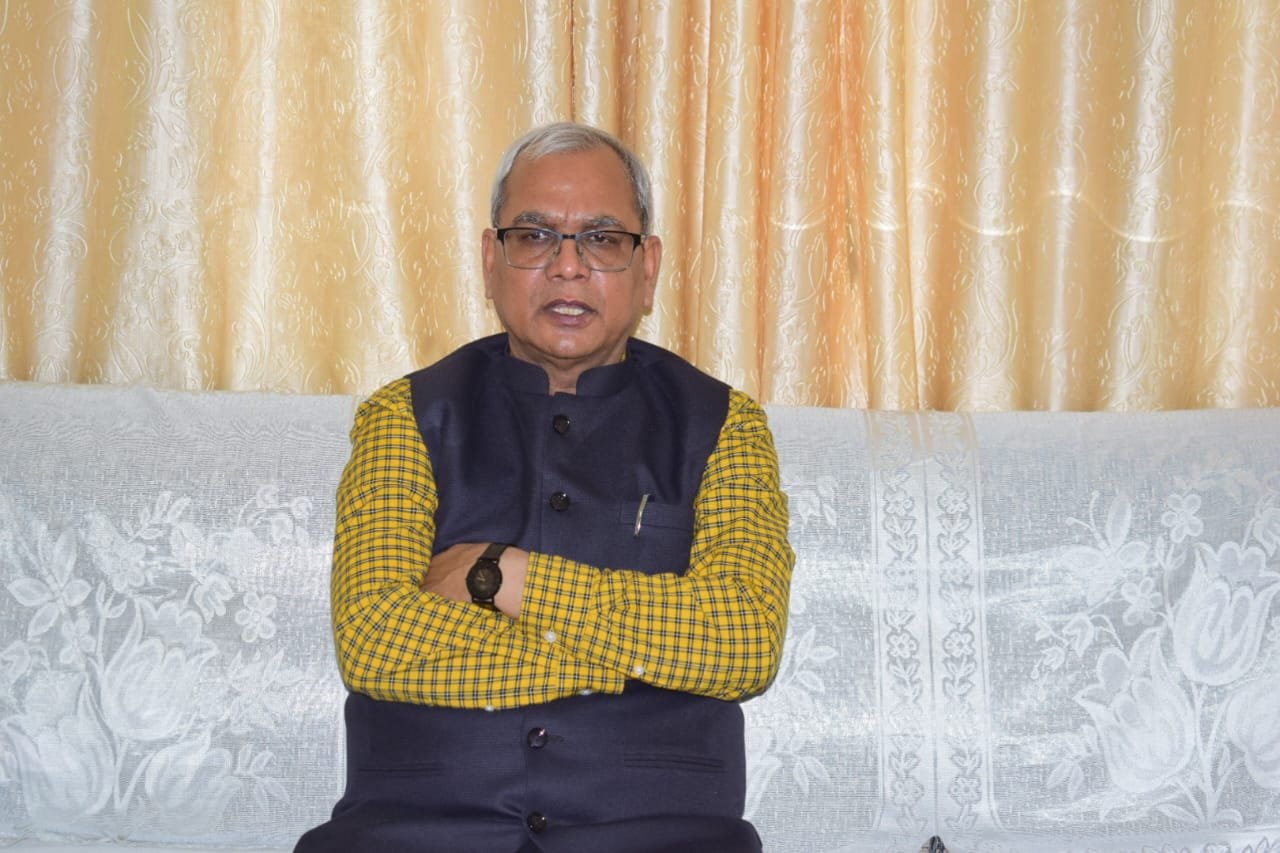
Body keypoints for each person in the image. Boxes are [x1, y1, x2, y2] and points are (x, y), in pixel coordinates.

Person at [295, 121, 794, 853]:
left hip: (659, 837)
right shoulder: (405, 416)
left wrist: (502, 575)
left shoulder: (725, 426)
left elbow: (743, 641)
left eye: (602, 239)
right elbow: (374, 637)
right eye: (533, 236)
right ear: (490, 260)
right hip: (417, 834)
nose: (567, 267)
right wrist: (650, 657)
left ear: (648, 267)